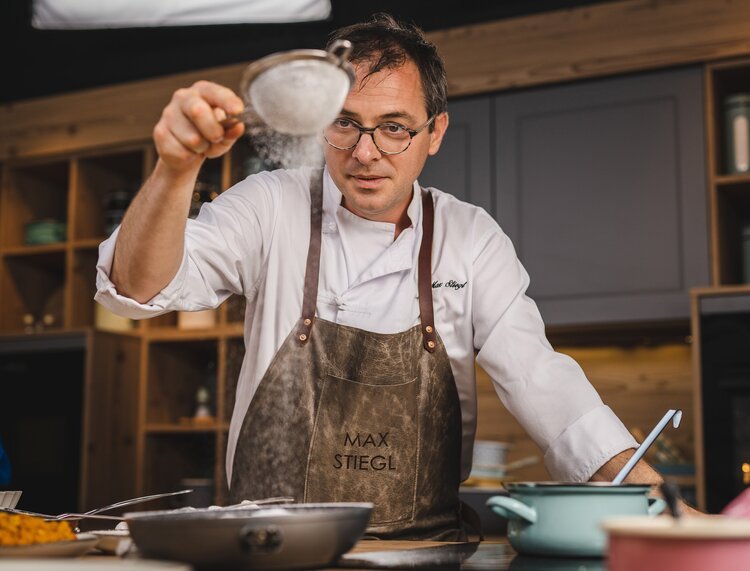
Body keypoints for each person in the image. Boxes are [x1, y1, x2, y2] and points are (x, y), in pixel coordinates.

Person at [96, 13, 683, 540]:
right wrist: (176, 170)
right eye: (345, 123)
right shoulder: (271, 205)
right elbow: (137, 289)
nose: (365, 151)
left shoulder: (470, 238)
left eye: (395, 126)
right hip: (271, 549)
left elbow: (543, 380)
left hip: (424, 551)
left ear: (435, 133)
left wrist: (668, 513)